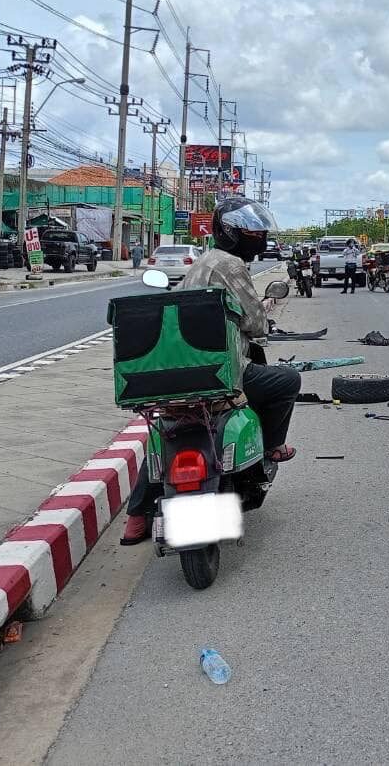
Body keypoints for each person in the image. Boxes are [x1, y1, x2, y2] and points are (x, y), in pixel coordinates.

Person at [120, 195, 301, 545]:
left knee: (169, 430)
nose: (260, 238)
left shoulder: (202, 263)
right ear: (235, 234)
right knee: (286, 381)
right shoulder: (231, 266)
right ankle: (272, 447)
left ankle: (135, 518)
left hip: (184, 369)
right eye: (255, 232)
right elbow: (254, 322)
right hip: (223, 372)